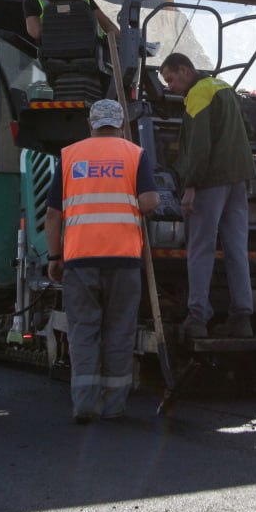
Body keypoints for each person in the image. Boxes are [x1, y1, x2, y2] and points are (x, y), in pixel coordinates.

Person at [44, 99, 160, 423]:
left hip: (80, 260)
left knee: (83, 331)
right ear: (122, 124)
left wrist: (55, 256)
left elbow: (53, 215)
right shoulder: (134, 154)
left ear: (90, 124)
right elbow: (148, 202)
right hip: (123, 259)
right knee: (119, 332)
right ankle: (114, 407)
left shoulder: (69, 156)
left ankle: (84, 405)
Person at [158, 52, 256, 341]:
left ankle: (198, 318)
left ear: (185, 70)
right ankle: (242, 318)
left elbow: (199, 148)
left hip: (211, 181)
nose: (170, 86)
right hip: (239, 180)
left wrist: (190, 185)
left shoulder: (198, 95)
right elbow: (249, 129)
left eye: (171, 79)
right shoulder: (223, 87)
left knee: (200, 249)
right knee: (237, 250)